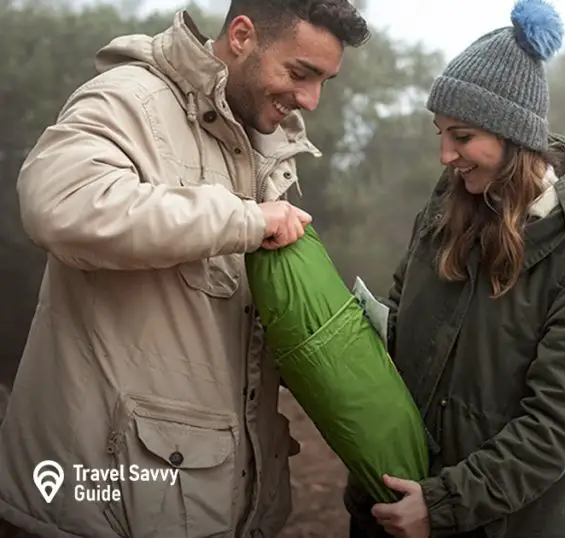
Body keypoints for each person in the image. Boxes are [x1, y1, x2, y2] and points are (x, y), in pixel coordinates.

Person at [0, 1, 369, 536]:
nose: (309, 100)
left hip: (209, 503)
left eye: (323, 81)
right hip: (95, 508)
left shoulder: (268, 143)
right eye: (300, 73)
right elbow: (59, 203)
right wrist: (242, 219)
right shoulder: (130, 99)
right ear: (242, 36)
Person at [343, 1, 565, 536]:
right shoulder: (442, 212)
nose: (445, 155)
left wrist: (443, 505)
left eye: (462, 137)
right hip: (384, 511)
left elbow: (558, 425)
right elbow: (395, 334)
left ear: (512, 136)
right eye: (441, 134)